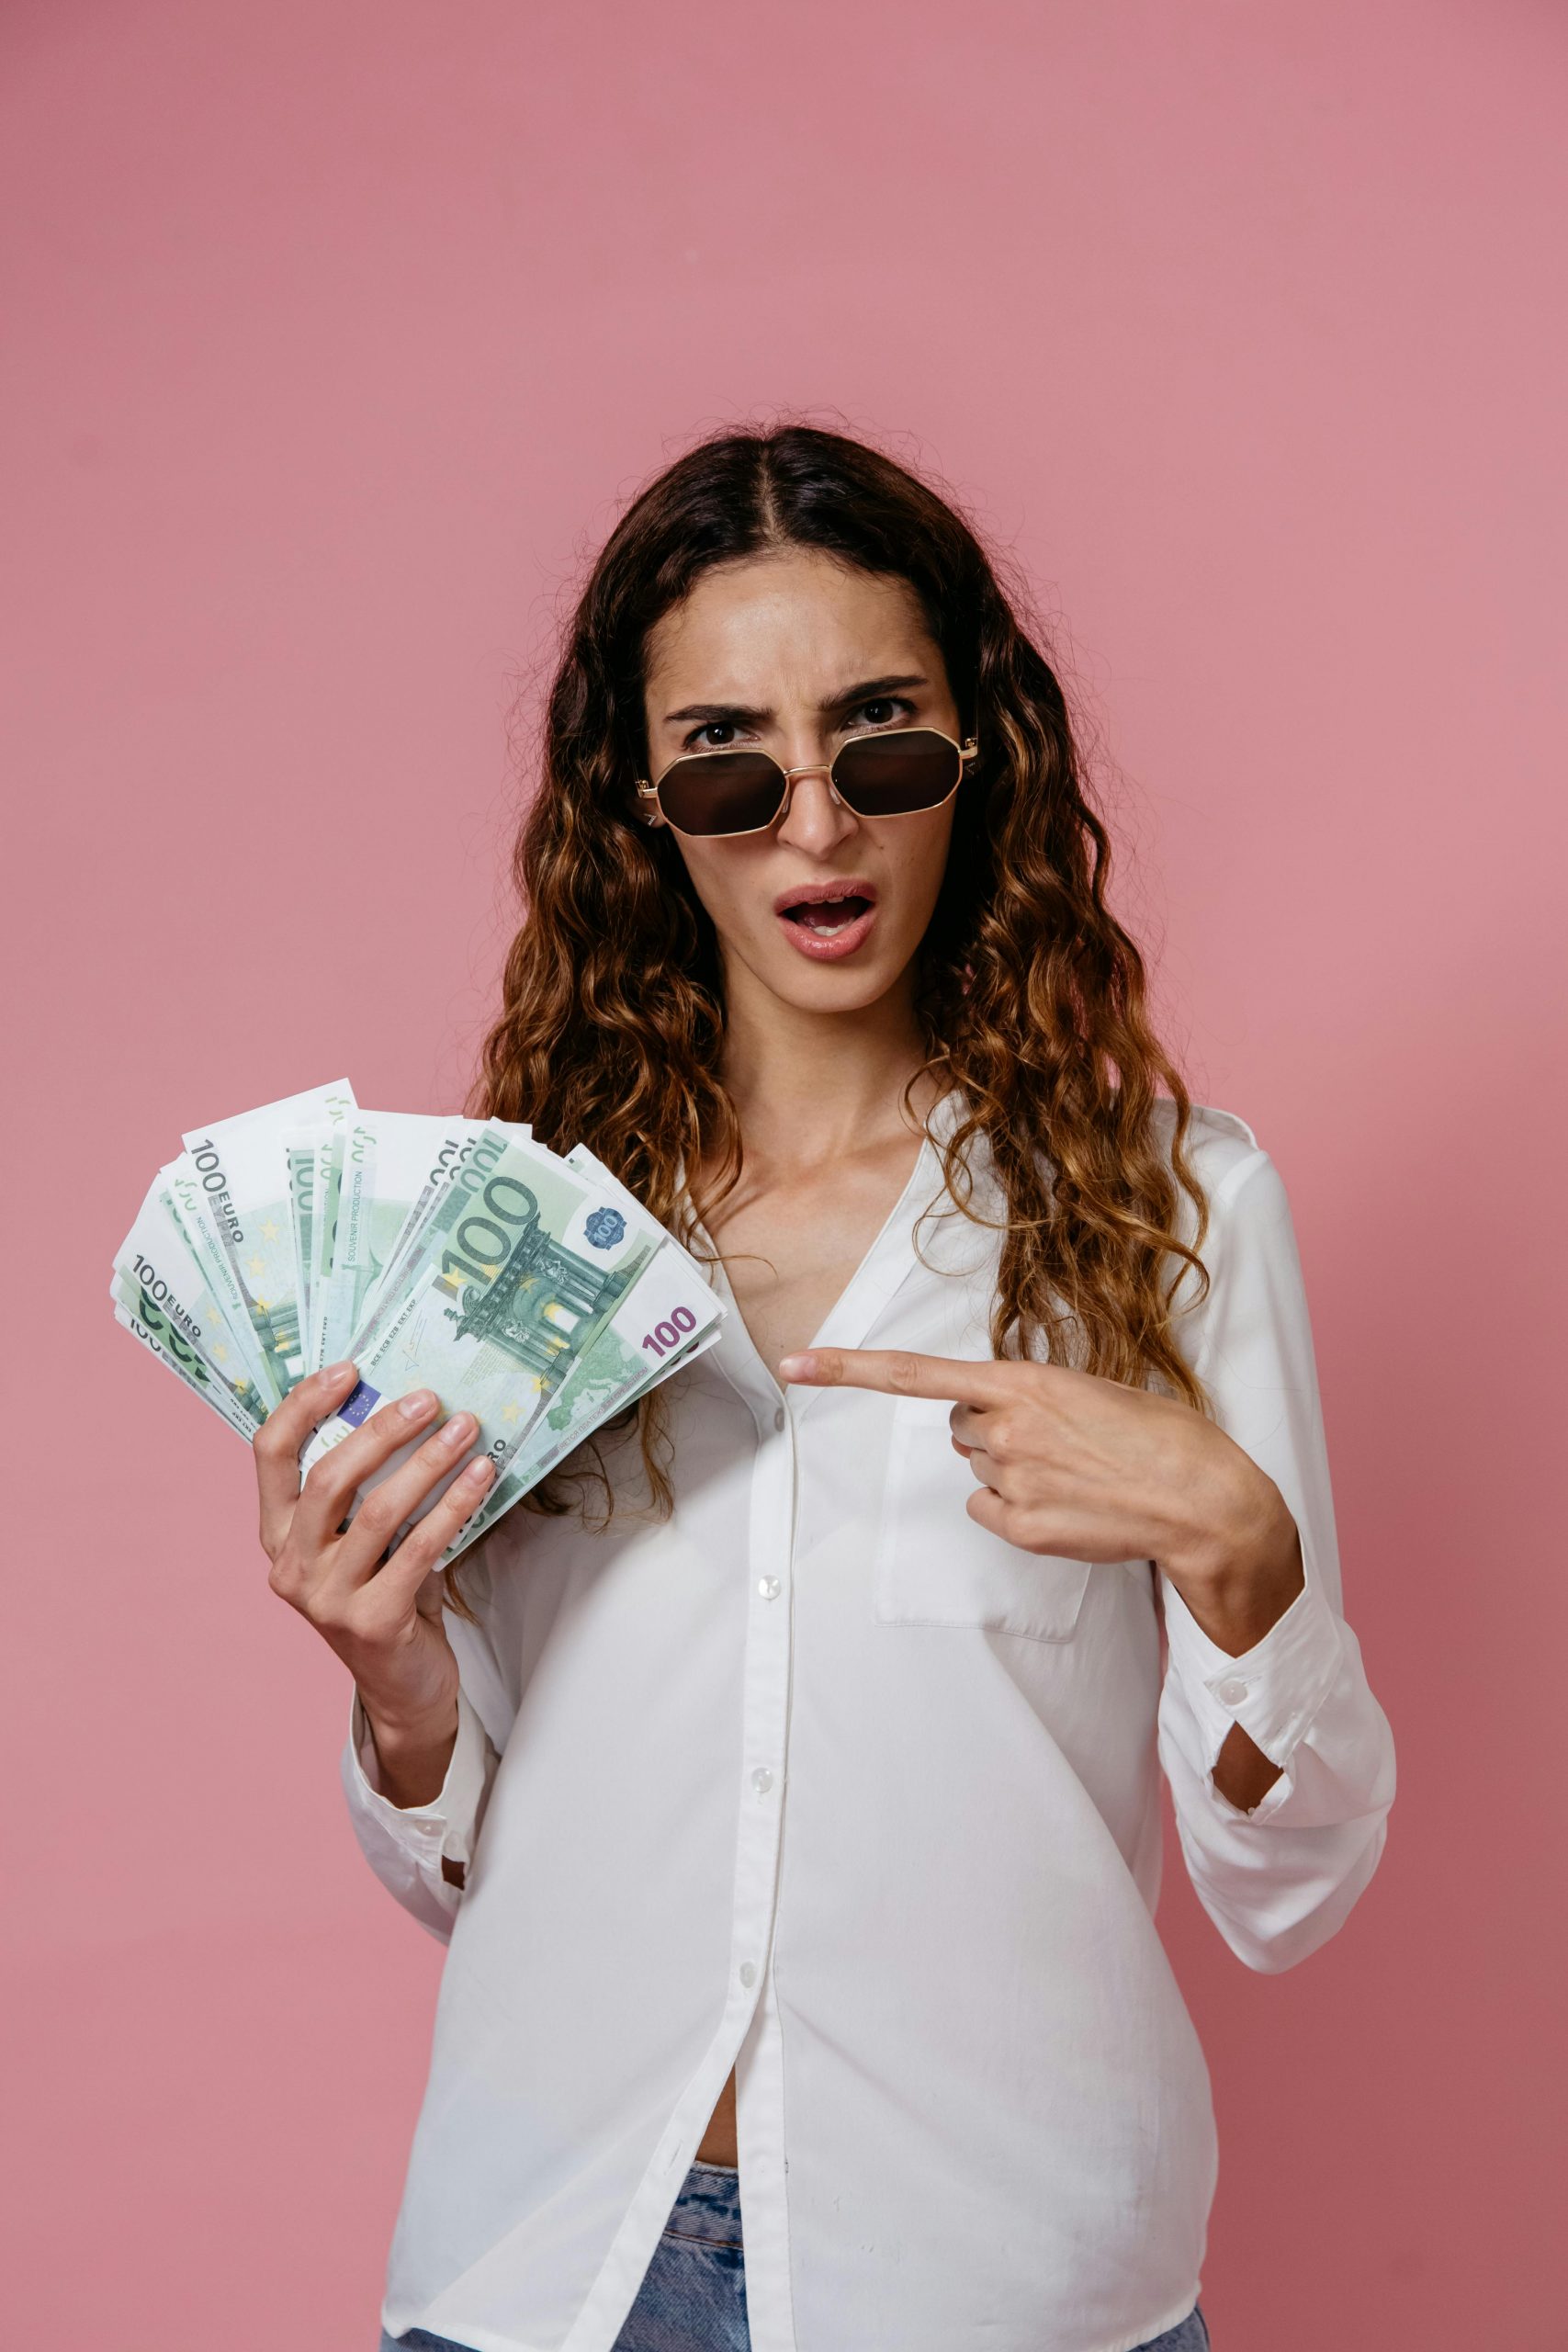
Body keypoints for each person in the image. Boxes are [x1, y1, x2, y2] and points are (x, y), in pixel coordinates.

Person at [254, 424, 1395, 2352]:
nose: (812, 821)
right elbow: (488, 1869)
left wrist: (1241, 1551)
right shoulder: (517, 1228)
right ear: (640, 798)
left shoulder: (1171, 1205)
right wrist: (398, 1694)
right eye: (726, 755)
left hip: (998, 2273)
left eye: (877, 734)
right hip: (544, 2262)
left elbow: (1290, 1886)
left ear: (974, 752)